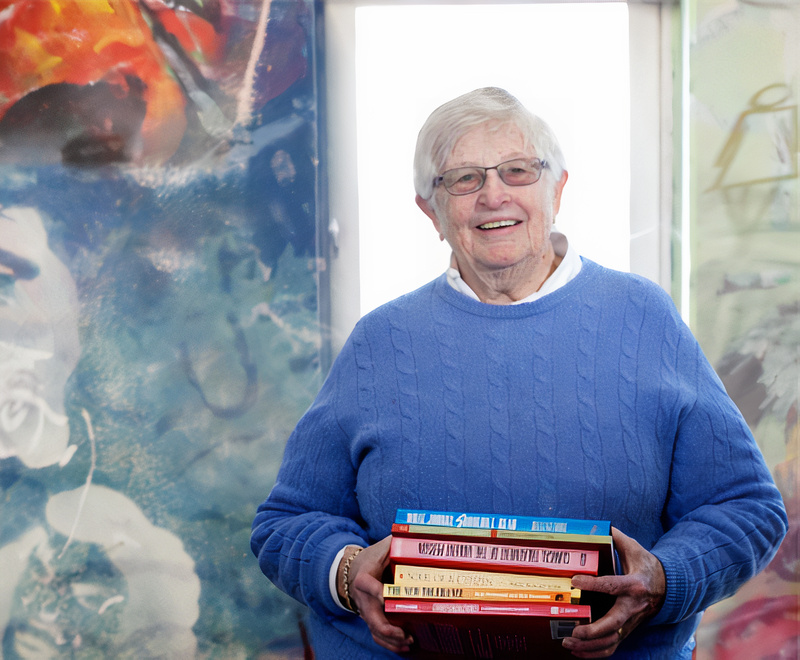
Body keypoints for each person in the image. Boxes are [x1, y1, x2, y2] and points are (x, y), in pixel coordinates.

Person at [251, 87, 787, 658]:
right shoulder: (380, 341)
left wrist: (663, 580)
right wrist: (345, 570)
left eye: (517, 170)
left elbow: (745, 507)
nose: (493, 195)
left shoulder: (644, 319)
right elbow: (287, 522)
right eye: (463, 179)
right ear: (429, 210)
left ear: (557, 188)